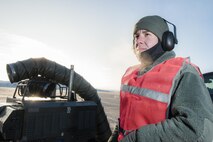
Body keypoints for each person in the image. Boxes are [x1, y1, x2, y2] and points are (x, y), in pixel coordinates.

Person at [108, 15, 213, 142]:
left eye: (147, 34)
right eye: (136, 36)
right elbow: (123, 121)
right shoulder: (130, 73)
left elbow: (197, 129)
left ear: (166, 40)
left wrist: (133, 139)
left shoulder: (183, 72)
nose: (139, 40)